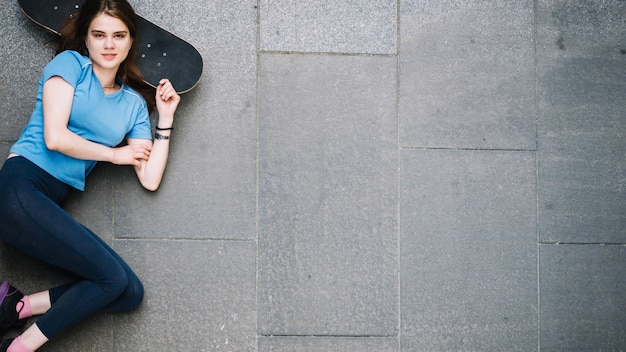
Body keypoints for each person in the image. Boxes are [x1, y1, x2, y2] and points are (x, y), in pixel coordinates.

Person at [0, 0, 180, 350]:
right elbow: (55, 136)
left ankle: (16, 307)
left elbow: (150, 177)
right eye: (99, 35)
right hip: (20, 188)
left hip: (48, 202)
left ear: (131, 41)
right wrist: (115, 154)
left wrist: (166, 119)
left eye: (118, 35)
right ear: (87, 38)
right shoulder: (70, 66)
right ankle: (18, 348)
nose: (109, 44)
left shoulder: (132, 106)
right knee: (111, 278)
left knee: (129, 292)